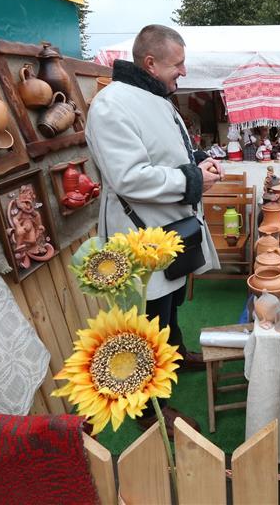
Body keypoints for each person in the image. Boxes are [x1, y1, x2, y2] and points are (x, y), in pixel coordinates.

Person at [86, 24, 222, 433]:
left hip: (168, 228)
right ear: (150, 62)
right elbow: (129, 177)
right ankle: (149, 408)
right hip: (137, 233)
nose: (182, 71)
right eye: (177, 64)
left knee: (171, 300)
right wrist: (192, 180)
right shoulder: (111, 104)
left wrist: (198, 158)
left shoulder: (153, 97)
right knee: (147, 316)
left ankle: (176, 353)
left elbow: (169, 147)